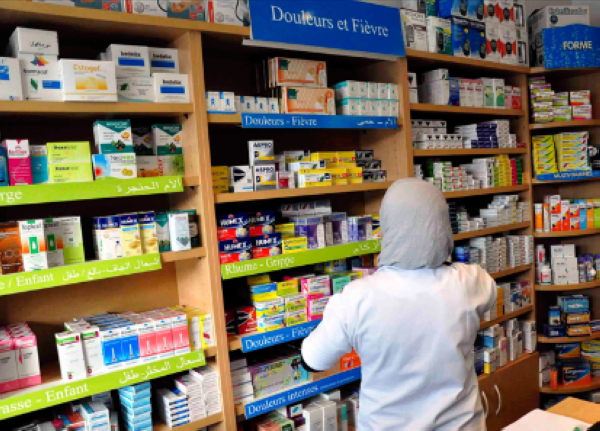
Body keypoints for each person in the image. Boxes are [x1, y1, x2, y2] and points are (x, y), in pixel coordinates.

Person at [301, 178, 497, 431]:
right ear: (442, 225)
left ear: (387, 227)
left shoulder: (357, 298)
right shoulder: (471, 281)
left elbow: (313, 360)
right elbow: (489, 294)